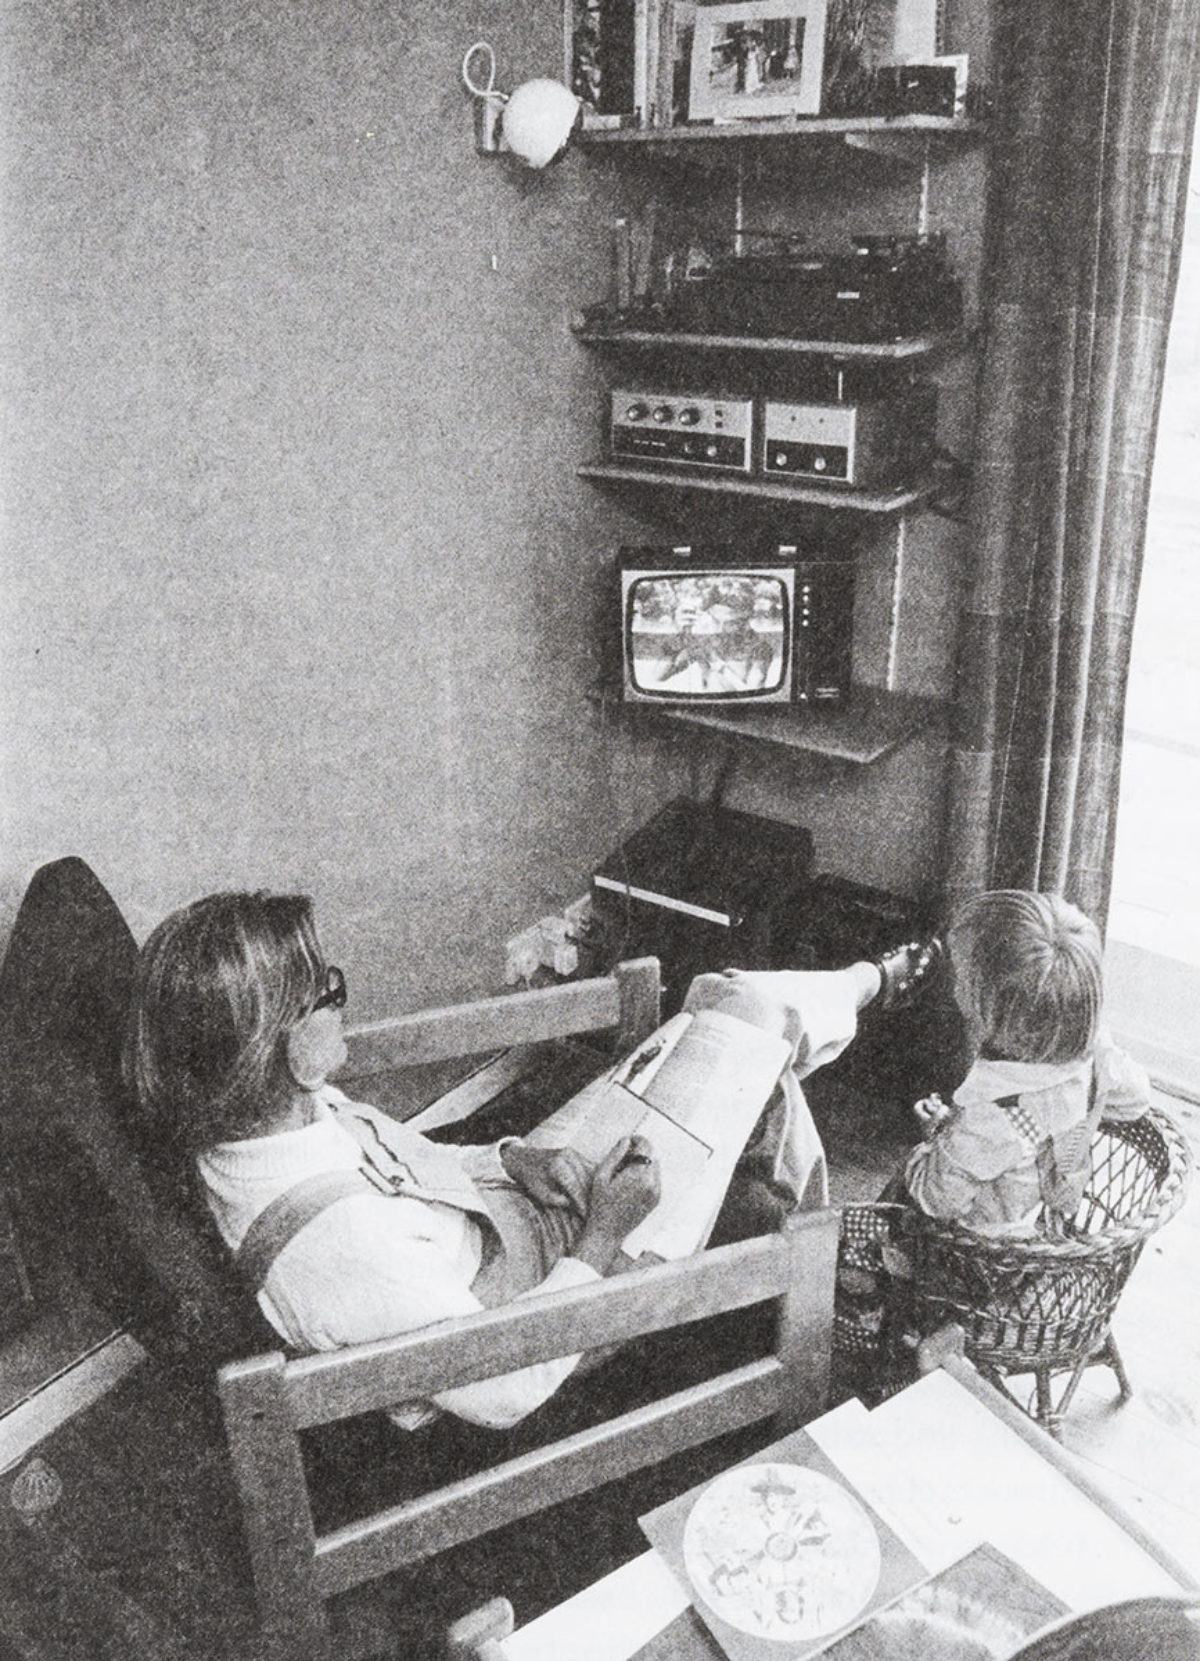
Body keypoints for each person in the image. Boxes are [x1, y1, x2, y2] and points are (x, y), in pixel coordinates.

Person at [124, 889, 938, 1430]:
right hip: (540, 1313)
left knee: (726, 1013)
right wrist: (602, 1236)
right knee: (757, 1064)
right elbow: (508, 1389)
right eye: (327, 990)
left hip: (504, 1211)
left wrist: (513, 1155)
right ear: (286, 1049)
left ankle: (822, 1248)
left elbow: (401, 1159)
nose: (344, 997)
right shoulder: (334, 1249)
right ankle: (856, 1012)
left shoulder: (267, 1121)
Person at [900, 890, 1151, 1235]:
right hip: (1044, 1221)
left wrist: (936, 1139)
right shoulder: (1095, 1057)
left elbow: (936, 1200)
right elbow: (1136, 1100)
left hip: (982, 1252)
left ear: (989, 1012)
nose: (953, 984)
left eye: (959, 978)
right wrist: (1093, 1059)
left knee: (876, 1216)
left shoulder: (988, 1116)